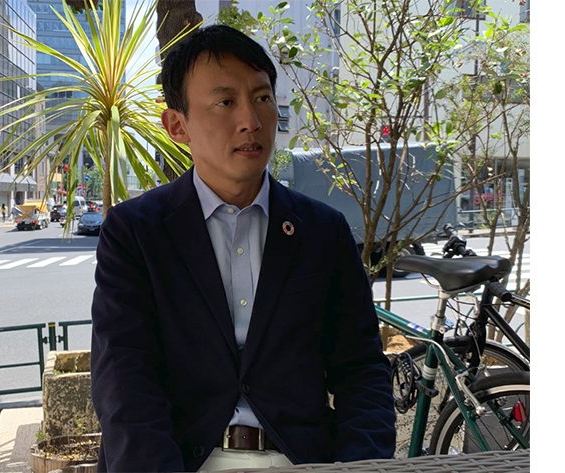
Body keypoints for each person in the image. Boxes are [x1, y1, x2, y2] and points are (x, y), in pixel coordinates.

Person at [90, 25, 395, 473]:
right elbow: (124, 379)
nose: (251, 119)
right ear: (177, 126)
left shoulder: (322, 231)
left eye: (262, 97)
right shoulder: (135, 232)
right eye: (226, 102)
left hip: (302, 461)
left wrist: (358, 467)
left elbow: (362, 370)